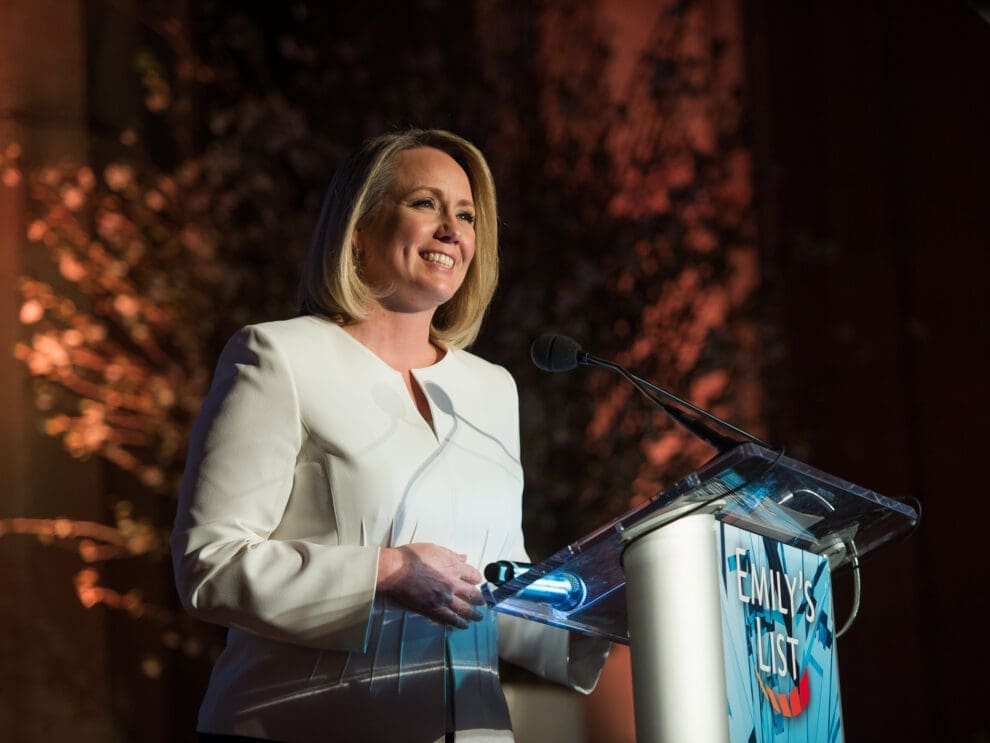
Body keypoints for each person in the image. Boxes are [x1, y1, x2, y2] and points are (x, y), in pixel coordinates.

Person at [171, 129, 609, 743]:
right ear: (358, 231)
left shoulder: (490, 389)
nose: (452, 229)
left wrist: (613, 607)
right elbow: (209, 565)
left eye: (466, 214)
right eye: (426, 204)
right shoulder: (279, 357)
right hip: (304, 724)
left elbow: (491, 591)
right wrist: (387, 570)